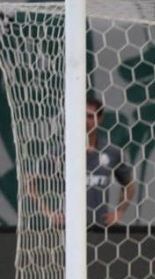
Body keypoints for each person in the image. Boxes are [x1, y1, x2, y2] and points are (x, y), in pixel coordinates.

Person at [28, 97, 135, 228]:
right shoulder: (59, 152)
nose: (85, 121)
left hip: (100, 229)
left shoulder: (112, 152)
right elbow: (29, 184)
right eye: (81, 116)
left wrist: (119, 212)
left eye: (90, 116)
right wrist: (49, 213)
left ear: (99, 119)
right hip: (67, 229)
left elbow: (129, 186)